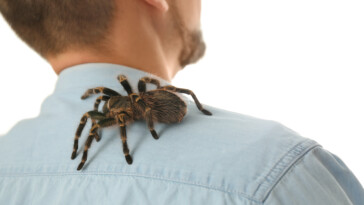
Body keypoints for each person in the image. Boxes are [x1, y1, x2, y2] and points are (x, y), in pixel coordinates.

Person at [0, 0, 363, 204]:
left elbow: (106, 113)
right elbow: (112, 120)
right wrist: (127, 149)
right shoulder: (276, 171)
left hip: (156, 107)